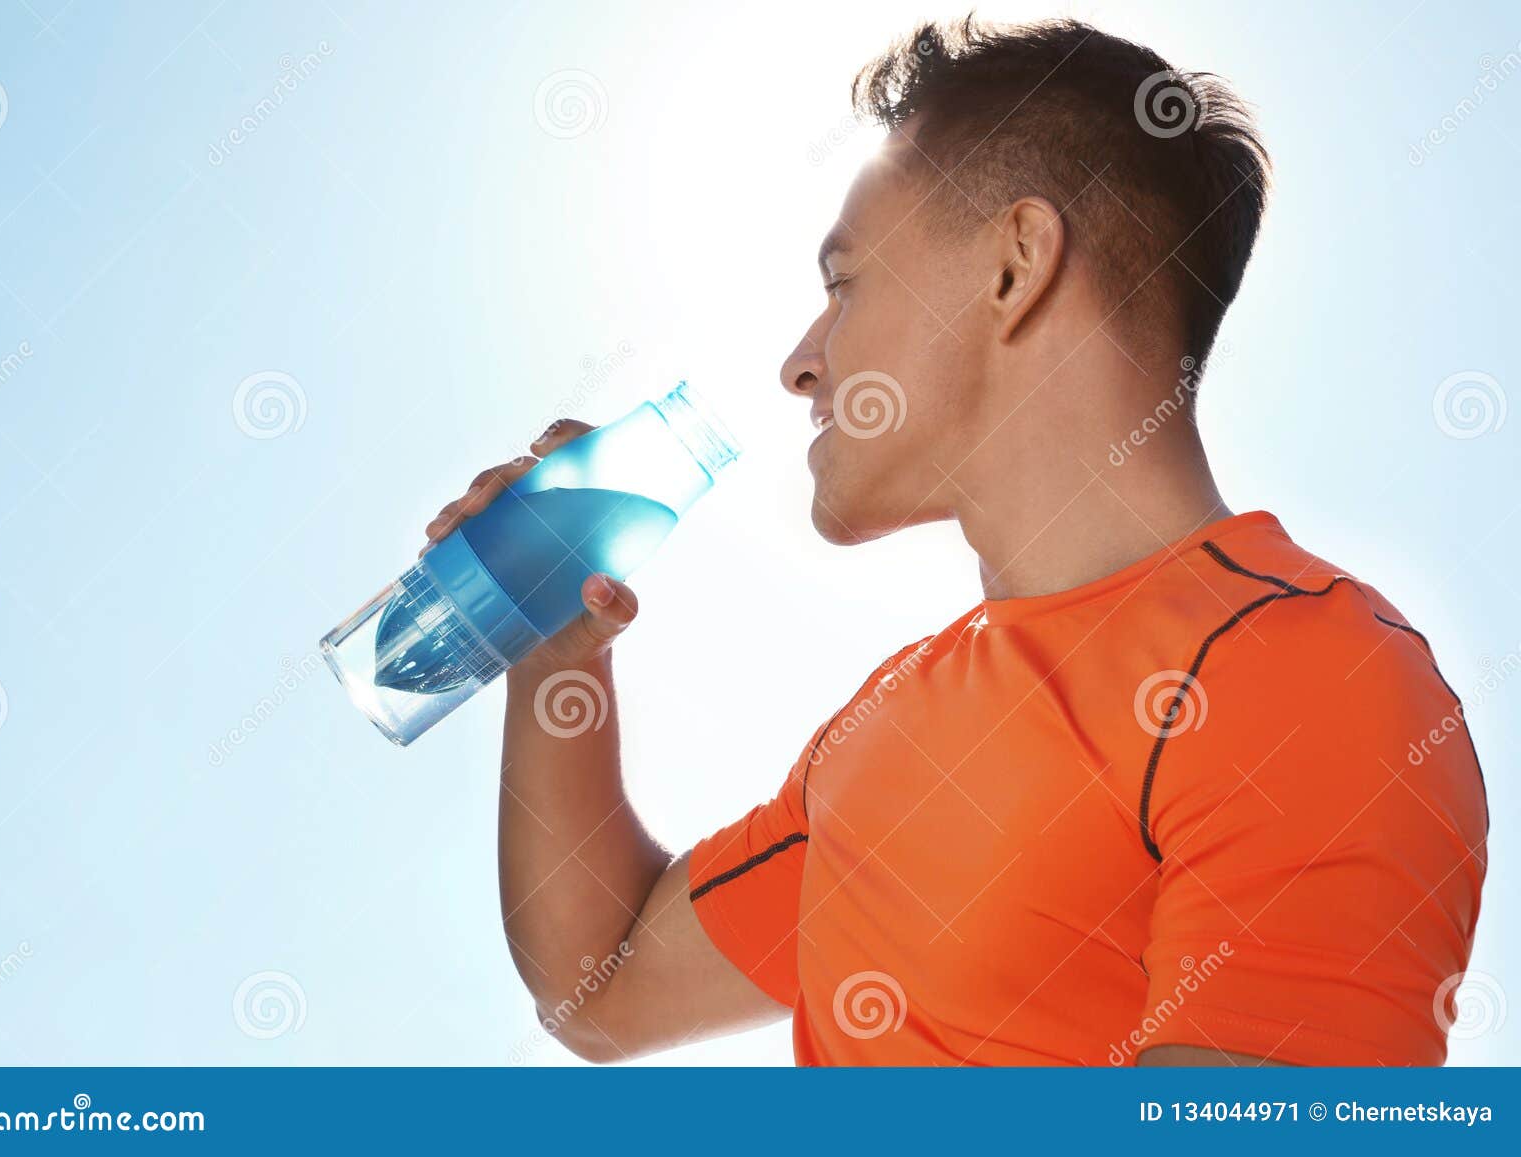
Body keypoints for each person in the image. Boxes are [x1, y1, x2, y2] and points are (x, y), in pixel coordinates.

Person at [426, 18, 1487, 1065]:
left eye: (844, 282)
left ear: (1014, 266)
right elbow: (601, 987)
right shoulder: (900, 715)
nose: (800, 364)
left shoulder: (1303, 676)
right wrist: (557, 658)